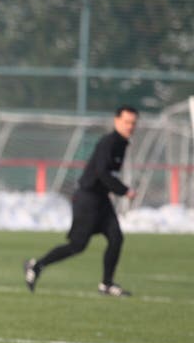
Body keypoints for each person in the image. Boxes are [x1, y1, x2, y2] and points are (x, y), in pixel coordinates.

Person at [25, 106, 139, 297]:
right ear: (116, 121)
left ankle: (106, 284)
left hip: (102, 199)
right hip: (88, 199)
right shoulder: (108, 142)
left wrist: (113, 190)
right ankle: (36, 266)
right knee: (77, 245)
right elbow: (102, 172)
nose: (130, 126)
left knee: (116, 238)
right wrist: (124, 190)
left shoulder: (122, 143)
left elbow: (108, 174)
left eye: (133, 123)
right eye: (127, 122)